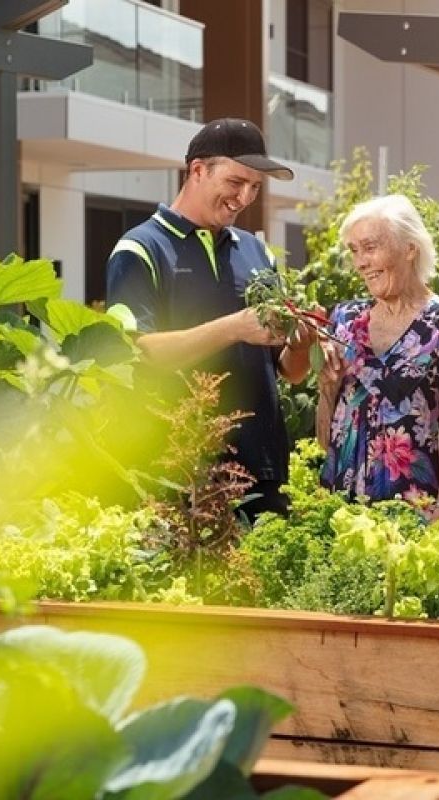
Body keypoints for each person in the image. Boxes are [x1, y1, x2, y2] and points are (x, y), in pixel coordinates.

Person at [106, 117, 316, 522]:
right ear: (198, 170)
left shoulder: (257, 253)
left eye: (255, 187)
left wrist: (302, 343)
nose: (245, 197)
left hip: (261, 469)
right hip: (180, 471)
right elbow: (138, 353)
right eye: (236, 182)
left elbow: (289, 372)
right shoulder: (140, 250)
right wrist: (234, 327)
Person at [316, 194, 439, 515]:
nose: (360, 262)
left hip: (414, 506)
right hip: (341, 505)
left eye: (370, 247)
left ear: (410, 248)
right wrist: (326, 386)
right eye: (354, 251)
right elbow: (326, 434)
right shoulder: (343, 320)